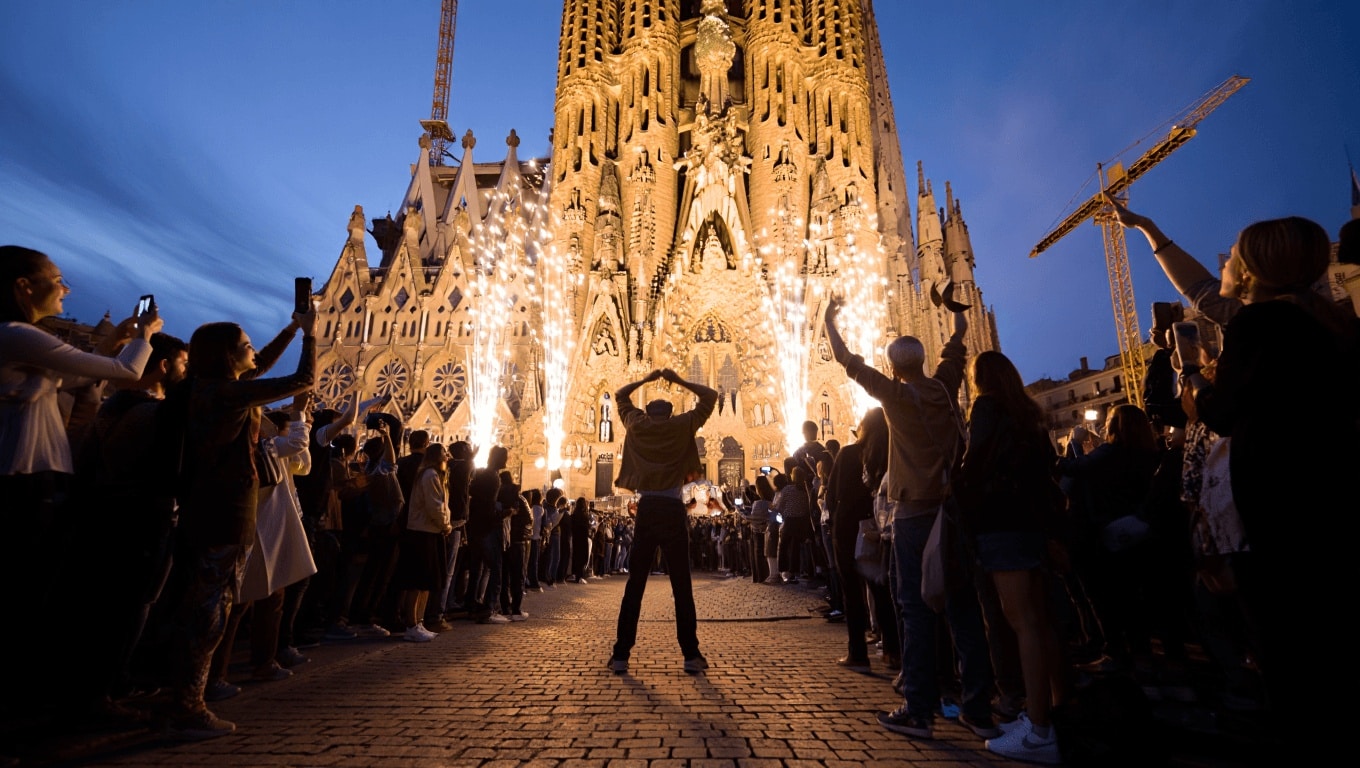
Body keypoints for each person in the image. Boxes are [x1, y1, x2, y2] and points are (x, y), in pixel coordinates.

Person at [1117, 207, 1358, 731]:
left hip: (1277, 511)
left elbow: (1222, 411)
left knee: (1289, 659)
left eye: (1233, 255)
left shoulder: (1260, 323)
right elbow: (1202, 289)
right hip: (1322, 504)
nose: (1225, 261)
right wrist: (1149, 231)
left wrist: (1191, 375)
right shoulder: (1327, 320)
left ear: (1251, 272)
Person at [824, 296, 998, 742]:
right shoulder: (943, 388)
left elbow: (847, 361)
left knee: (916, 610)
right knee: (963, 609)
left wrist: (829, 319)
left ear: (894, 368)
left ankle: (919, 709)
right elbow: (956, 347)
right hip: (951, 513)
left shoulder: (896, 397)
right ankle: (978, 708)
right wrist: (956, 316)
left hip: (915, 514)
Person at [163, 303, 316, 739]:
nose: (254, 352)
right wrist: (310, 336)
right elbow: (302, 380)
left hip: (202, 504)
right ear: (228, 357)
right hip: (227, 508)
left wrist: (292, 327)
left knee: (200, 602)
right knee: (212, 607)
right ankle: (188, 707)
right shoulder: (224, 395)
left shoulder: (201, 389)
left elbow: (261, 364)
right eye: (246, 346)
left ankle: (181, 698)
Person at [956, 351, 1068, 763]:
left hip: (1001, 523)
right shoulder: (1027, 414)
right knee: (1040, 621)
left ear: (980, 379)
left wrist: (958, 489)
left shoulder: (987, 407)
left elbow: (975, 464)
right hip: (1031, 525)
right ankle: (1057, 713)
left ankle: (1039, 730)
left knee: (1023, 624)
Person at [607, 368, 717, 674]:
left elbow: (620, 395)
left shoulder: (636, 424)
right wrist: (677, 380)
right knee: (681, 584)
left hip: (647, 509)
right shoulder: (681, 426)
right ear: (669, 413)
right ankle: (691, 655)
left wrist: (646, 379)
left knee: (635, 584)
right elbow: (710, 396)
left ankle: (621, 654)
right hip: (671, 509)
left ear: (647, 412)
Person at [825, 407, 900, 674]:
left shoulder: (848, 454)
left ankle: (857, 653)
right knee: (881, 589)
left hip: (847, 528)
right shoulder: (889, 454)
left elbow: (831, 495)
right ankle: (892, 651)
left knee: (852, 593)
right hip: (875, 527)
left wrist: (833, 519)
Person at [393, 442, 452, 642]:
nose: (447, 456)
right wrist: (445, 524)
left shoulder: (437, 476)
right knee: (417, 581)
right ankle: (411, 624)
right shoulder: (430, 476)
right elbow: (434, 506)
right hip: (422, 532)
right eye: (444, 453)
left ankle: (419, 621)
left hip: (431, 531)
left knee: (427, 581)